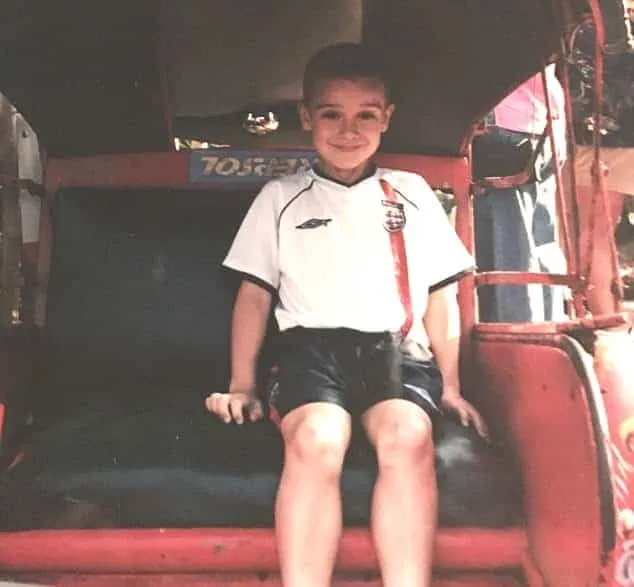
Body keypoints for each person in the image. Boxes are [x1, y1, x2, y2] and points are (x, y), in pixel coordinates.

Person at [205, 43, 487, 587]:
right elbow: (255, 297)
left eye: (366, 115)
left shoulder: (410, 193)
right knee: (316, 438)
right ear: (307, 117)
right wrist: (242, 384)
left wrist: (450, 384)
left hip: (397, 353)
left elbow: (440, 296)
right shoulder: (280, 197)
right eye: (331, 113)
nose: (348, 130)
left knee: (407, 435)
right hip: (311, 354)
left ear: (387, 119)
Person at [473, 64, 569, 322]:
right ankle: (545, 333)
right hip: (542, 117)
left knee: (511, 253)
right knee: (538, 242)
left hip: (503, 122)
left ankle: (518, 344)